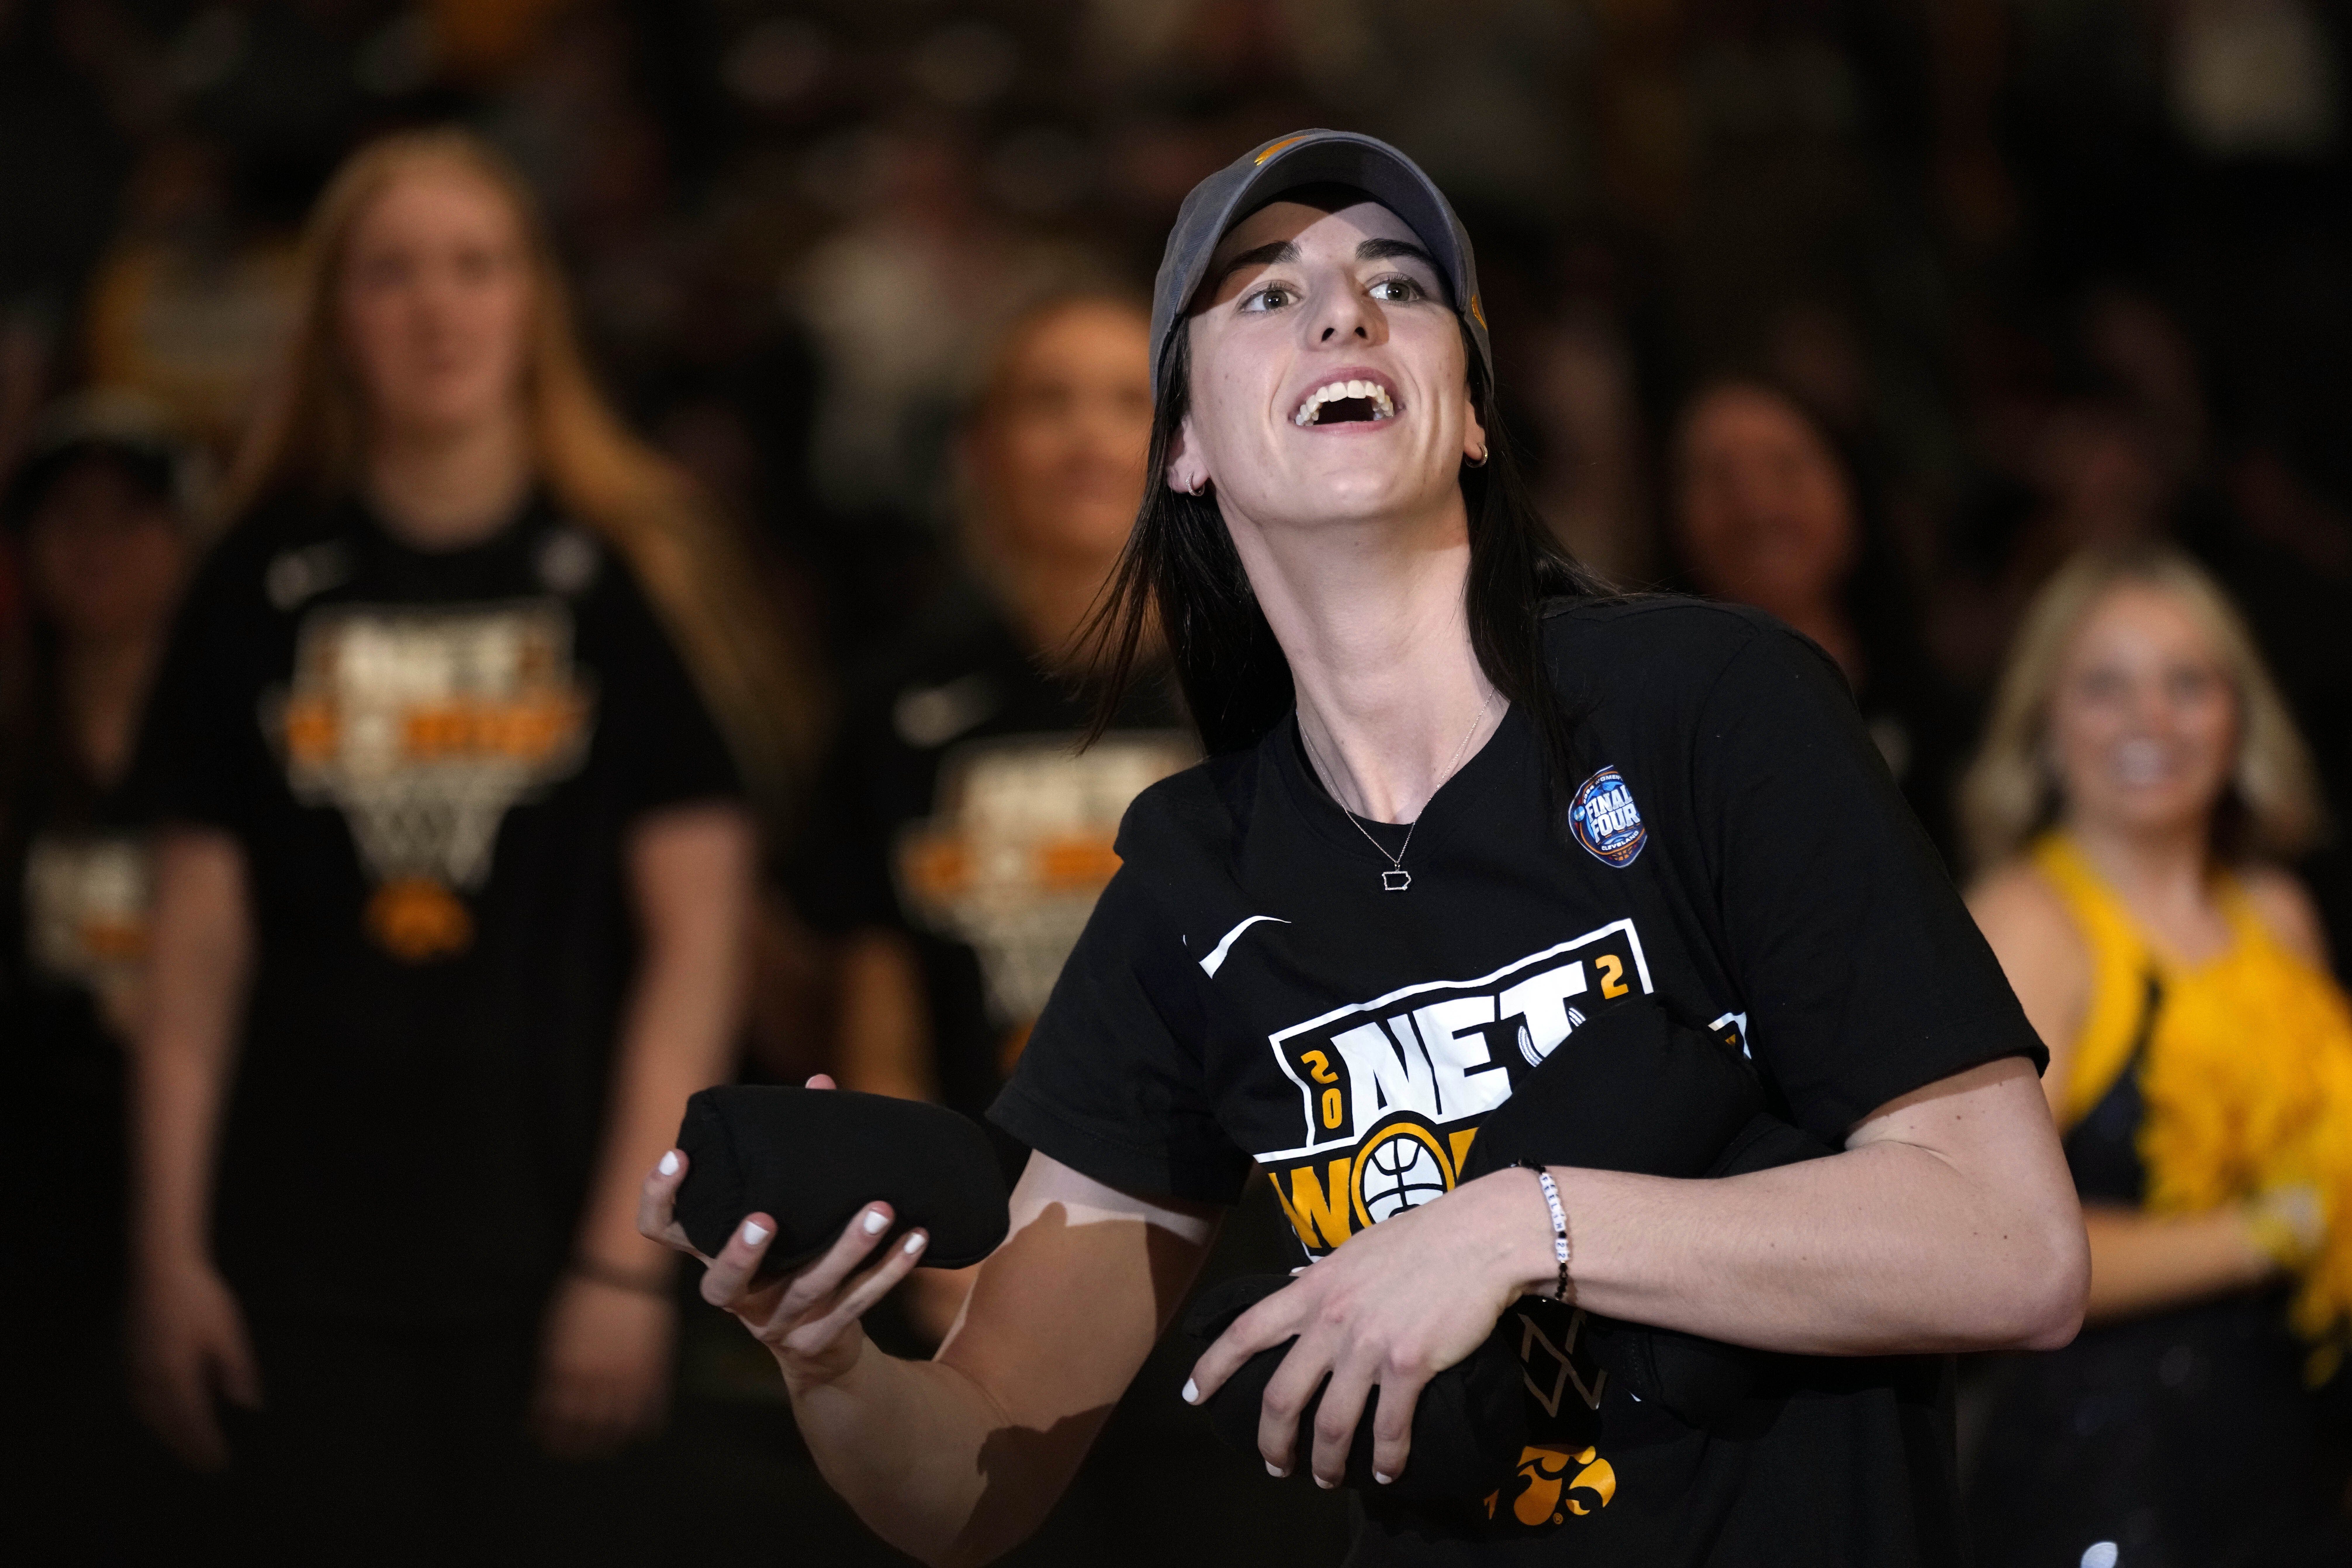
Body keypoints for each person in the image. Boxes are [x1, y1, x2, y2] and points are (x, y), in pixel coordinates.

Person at [640, 130, 2087, 1567]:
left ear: (1467, 414)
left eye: (1397, 285)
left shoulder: (1705, 707)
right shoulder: (1194, 883)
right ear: (1186, 448)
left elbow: (2008, 1245)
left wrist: (1518, 1225)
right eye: (1266, 295)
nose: (1342, 309)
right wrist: (829, 1365)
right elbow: (968, 1476)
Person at [123, 128, 781, 1562]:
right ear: (333, 317)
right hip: (289, 1253)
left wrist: (625, 1257)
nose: (438, 308)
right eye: (391, 273)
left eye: (477, 267)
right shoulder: (253, 578)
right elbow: (191, 959)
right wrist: (166, 1253)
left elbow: (696, 946)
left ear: (532, 300)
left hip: (554, 1243)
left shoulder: (629, 569)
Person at [793, 292, 1194, 1335]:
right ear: (979, 450)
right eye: (1045, 402)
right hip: (991, 1239)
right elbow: (879, 1009)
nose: (1086, 436)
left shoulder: (1267, 689)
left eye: (1124, 401)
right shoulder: (899, 706)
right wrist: (920, 1236)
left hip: (1231, 1244)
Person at [1959, 546, 2352, 1567]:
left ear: (2237, 713)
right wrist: (2272, 1233)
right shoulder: (2028, 925)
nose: (2152, 720)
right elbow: (1980, 1248)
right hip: (2109, 1482)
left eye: (2187, 682)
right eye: (2105, 684)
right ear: (2045, 718)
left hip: (2291, 1456)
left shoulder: (2274, 910)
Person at [0, 394, 192, 1555]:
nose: (95, 544)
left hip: (199, 1161)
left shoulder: (241, 747)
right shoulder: (15, 748)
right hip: (36, 1180)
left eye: (130, 516)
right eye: (64, 517)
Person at [1669, 375, 1968, 859]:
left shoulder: (1947, 722)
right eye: (1719, 478)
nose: (1756, 506)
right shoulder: (1656, 744)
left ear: (1850, 485)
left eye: (1785, 469)